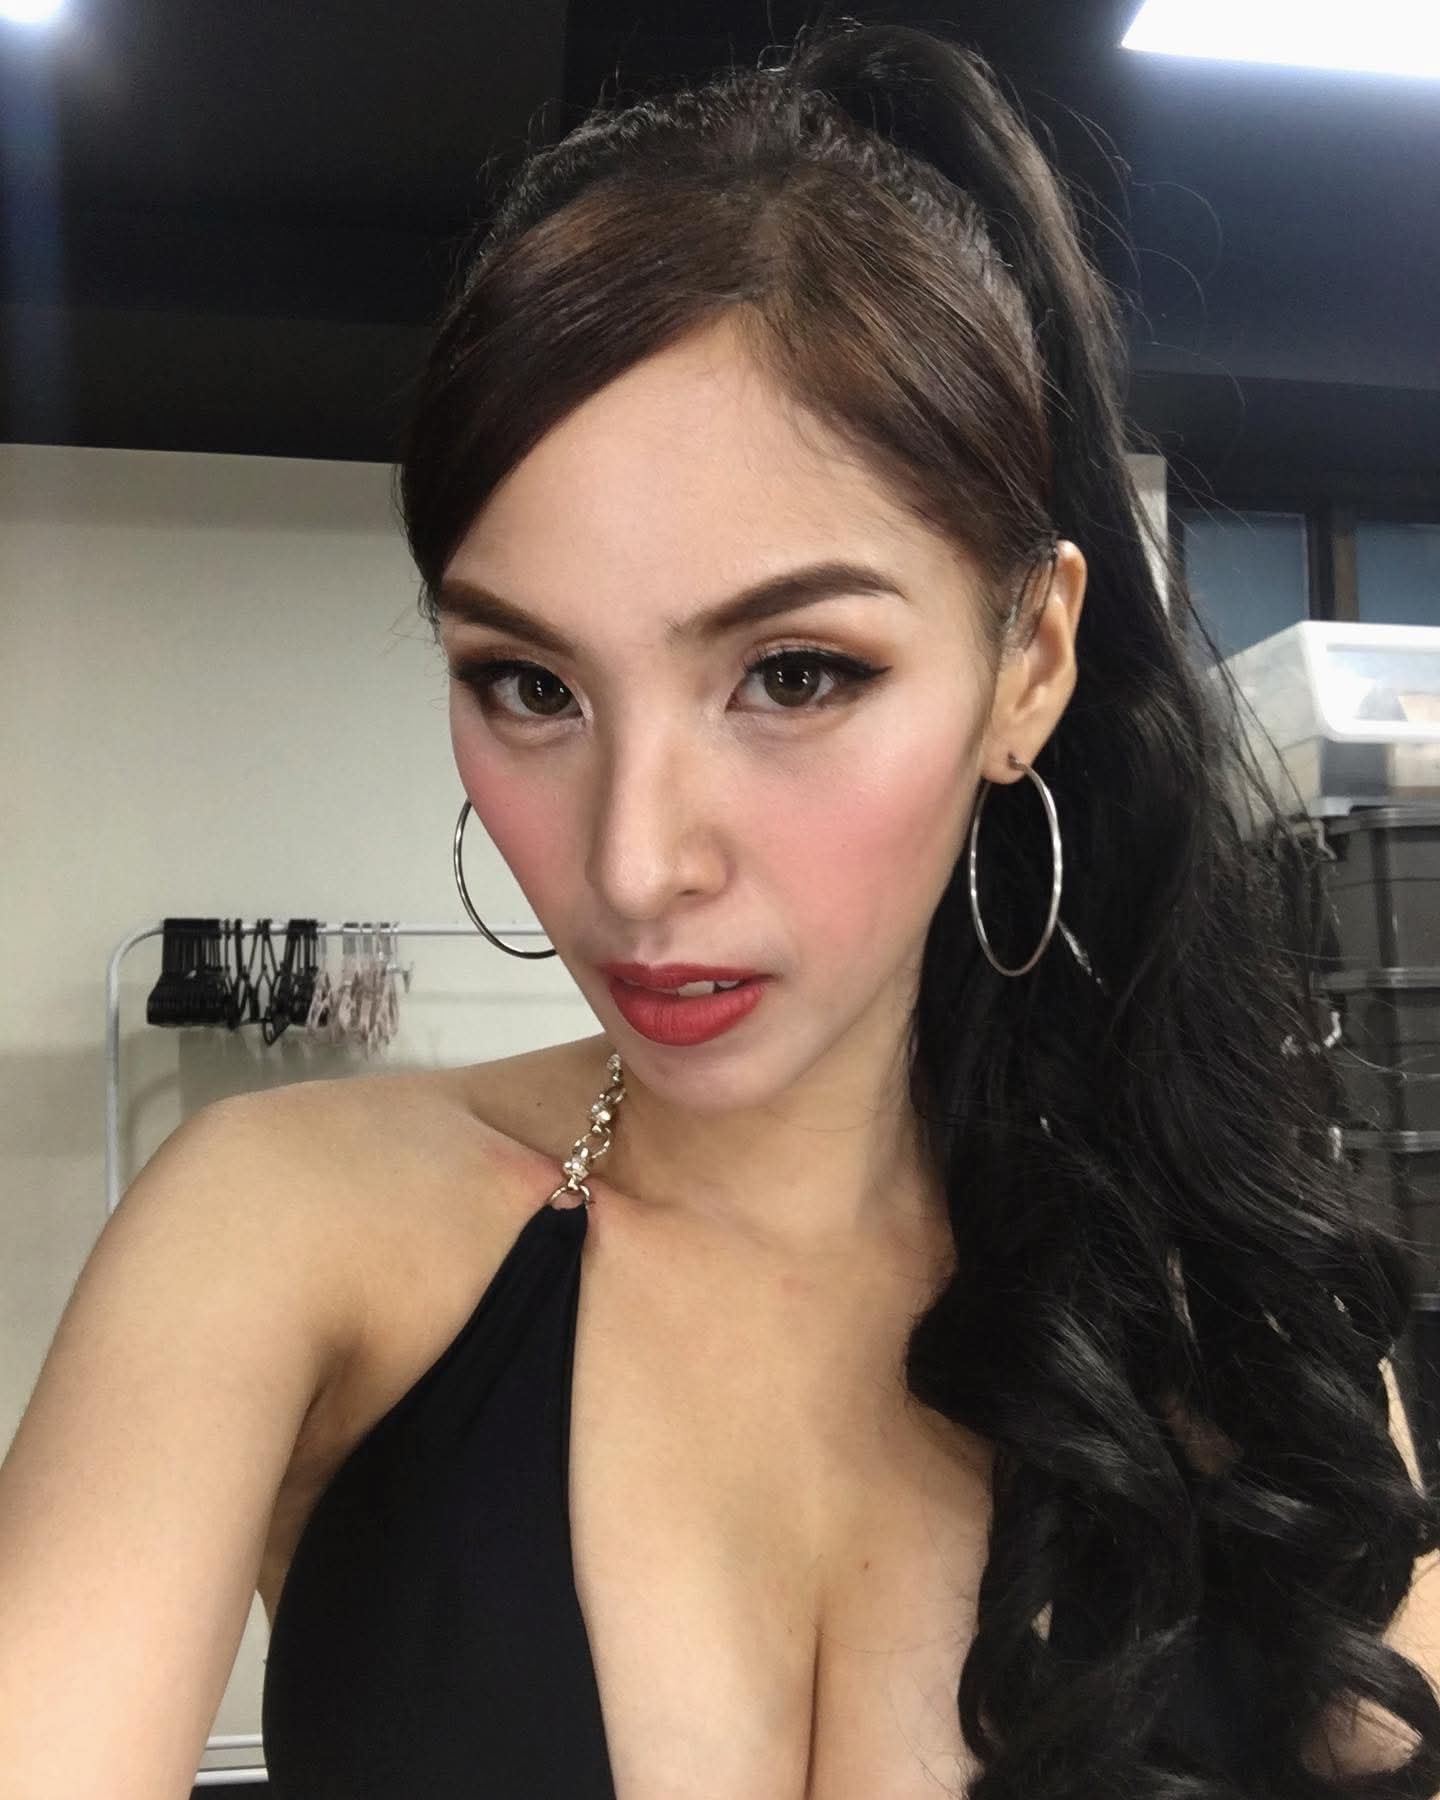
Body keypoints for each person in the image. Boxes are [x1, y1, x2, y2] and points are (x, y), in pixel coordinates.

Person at [3, 16, 1438, 1799]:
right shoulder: (283, 1240)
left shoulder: (1236, 1323)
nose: (631, 865)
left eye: (796, 673)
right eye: (532, 686)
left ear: (1029, 664)